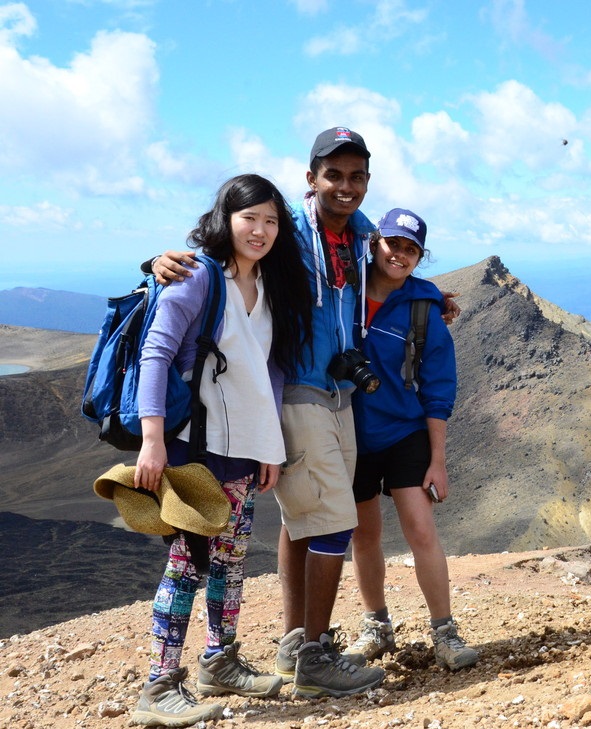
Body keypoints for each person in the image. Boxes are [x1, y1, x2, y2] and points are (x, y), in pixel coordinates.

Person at [152, 127, 388, 698]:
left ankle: (283, 643)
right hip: (288, 397)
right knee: (332, 520)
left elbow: (394, 272)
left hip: (333, 397)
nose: (345, 185)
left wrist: (436, 299)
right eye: (333, 174)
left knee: (294, 522)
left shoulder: (361, 237)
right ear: (311, 179)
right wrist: (156, 260)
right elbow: (222, 242)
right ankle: (310, 656)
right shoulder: (288, 232)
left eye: (356, 175)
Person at [131, 174, 312, 726]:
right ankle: (159, 686)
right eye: (249, 218)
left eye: (271, 221)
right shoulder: (196, 278)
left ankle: (220, 658)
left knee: (230, 563)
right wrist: (153, 441)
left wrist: (269, 447)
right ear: (225, 219)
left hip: (241, 451)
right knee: (187, 563)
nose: (260, 230)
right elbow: (155, 355)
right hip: (193, 450)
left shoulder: (269, 291)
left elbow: (271, 373)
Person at [346, 208, 479, 671]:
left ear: (420, 256)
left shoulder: (425, 308)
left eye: (410, 248)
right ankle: (376, 627)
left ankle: (445, 632)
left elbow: (440, 391)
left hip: (405, 434)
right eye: (392, 243)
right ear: (374, 241)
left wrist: (437, 460)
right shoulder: (344, 289)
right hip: (351, 435)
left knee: (421, 530)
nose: (399, 254)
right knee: (364, 536)